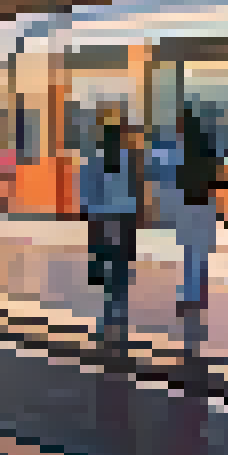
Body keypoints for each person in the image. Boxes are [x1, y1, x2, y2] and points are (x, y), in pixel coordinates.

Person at [77, 119, 145, 328]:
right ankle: (117, 310)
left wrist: (89, 217)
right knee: (119, 264)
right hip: (122, 218)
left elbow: (87, 194)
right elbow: (136, 189)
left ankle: (112, 311)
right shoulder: (127, 160)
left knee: (110, 263)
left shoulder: (95, 160)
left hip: (106, 218)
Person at [173, 107, 228, 313]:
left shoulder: (182, 150)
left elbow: (175, 178)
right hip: (205, 203)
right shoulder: (206, 147)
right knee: (200, 252)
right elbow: (217, 176)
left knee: (191, 251)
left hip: (189, 203)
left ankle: (191, 295)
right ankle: (197, 294)